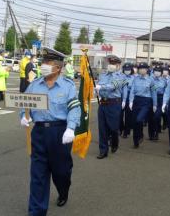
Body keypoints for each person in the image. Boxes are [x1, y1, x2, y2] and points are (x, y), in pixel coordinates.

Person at [20, 47, 81, 215]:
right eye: (43, 62)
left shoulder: (67, 86)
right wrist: (23, 117)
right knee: (38, 175)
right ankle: (37, 211)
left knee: (61, 172)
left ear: (58, 68)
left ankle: (63, 190)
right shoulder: (34, 85)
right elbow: (26, 104)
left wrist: (71, 128)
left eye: (48, 63)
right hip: (39, 133)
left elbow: (74, 108)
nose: (44, 66)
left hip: (59, 133)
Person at [95, 55, 127, 159]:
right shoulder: (103, 75)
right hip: (103, 103)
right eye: (110, 64)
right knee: (102, 128)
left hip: (114, 104)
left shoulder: (121, 76)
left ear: (118, 65)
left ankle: (114, 141)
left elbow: (113, 86)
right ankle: (103, 150)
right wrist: (97, 90)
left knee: (113, 128)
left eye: (113, 64)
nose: (111, 66)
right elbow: (99, 86)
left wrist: (101, 87)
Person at [128, 62, 157, 148]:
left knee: (139, 119)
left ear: (147, 69)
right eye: (140, 69)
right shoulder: (135, 79)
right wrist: (130, 101)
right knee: (134, 122)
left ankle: (140, 134)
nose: (141, 70)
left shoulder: (151, 80)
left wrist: (155, 104)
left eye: (143, 68)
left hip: (146, 102)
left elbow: (154, 92)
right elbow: (132, 91)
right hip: (136, 101)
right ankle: (136, 140)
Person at [148, 64, 167, 140]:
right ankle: (151, 134)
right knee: (151, 117)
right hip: (151, 99)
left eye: (159, 71)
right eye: (156, 71)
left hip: (160, 99)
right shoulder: (149, 79)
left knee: (157, 116)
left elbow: (166, 91)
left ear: (161, 73)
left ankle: (156, 133)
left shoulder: (164, 81)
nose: (157, 72)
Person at [120, 62, 134, 138]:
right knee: (120, 115)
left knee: (128, 116)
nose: (127, 71)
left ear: (131, 70)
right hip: (120, 97)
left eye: (128, 70)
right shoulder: (121, 77)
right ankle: (121, 128)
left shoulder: (134, 78)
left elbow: (133, 89)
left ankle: (126, 131)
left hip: (130, 98)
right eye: (125, 70)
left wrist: (131, 100)